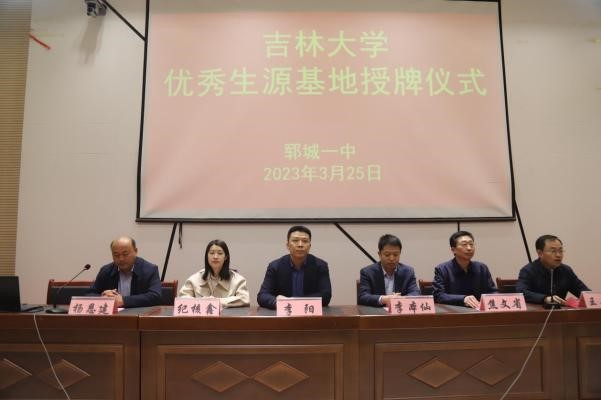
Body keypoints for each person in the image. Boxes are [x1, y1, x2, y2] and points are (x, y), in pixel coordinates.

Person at [257, 225, 332, 309]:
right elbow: (262, 295)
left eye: (305, 241)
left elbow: (326, 295)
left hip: (309, 313)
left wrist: (294, 302)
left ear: (309, 246)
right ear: (287, 245)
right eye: (295, 240)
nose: (300, 245)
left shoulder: (320, 265)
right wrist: (277, 302)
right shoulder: (275, 266)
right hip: (284, 313)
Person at [88, 236, 162, 308]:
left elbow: (155, 296)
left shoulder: (149, 270)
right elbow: (89, 294)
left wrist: (124, 301)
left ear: (136, 251)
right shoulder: (106, 271)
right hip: (114, 315)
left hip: (139, 314)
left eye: (125, 254)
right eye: (116, 255)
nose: (121, 259)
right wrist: (103, 296)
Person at [516, 234, 590, 305]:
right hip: (536, 312)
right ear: (540, 253)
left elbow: (584, 292)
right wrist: (544, 298)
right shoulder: (528, 270)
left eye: (560, 251)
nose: (558, 255)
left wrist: (591, 298)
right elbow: (521, 292)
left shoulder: (566, 270)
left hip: (561, 312)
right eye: (553, 251)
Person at [432, 231, 497, 308]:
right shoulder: (442, 269)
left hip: (479, 312)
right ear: (453, 250)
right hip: (453, 312)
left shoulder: (482, 268)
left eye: (471, 244)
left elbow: (492, 292)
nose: (469, 248)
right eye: (464, 244)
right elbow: (438, 295)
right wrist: (463, 299)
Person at [178, 239, 250, 307]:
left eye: (220, 253)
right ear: (207, 256)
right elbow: (182, 297)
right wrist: (201, 301)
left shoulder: (238, 280)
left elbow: (245, 299)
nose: (215, 257)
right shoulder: (195, 278)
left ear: (226, 257)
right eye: (212, 253)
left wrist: (217, 301)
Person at [357, 234, 420, 307]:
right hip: (377, 313)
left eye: (395, 254)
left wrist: (400, 299)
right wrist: (383, 299)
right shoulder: (367, 272)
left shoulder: (408, 272)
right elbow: (363, 297)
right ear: (379, 254)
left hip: (399, 312)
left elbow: (415, 293)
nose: (391, 258)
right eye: (387, 254)